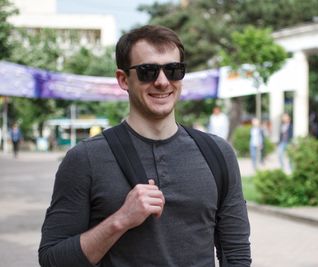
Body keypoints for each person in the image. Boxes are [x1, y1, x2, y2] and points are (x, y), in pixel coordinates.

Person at [39, 25, 251, 267]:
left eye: (173, 70)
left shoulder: (217, 153)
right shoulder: (85, 158)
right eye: (147, 71)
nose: (162, 82)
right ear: (123, 79)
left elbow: (236, 254)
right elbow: (52, 259)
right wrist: (120, 220)